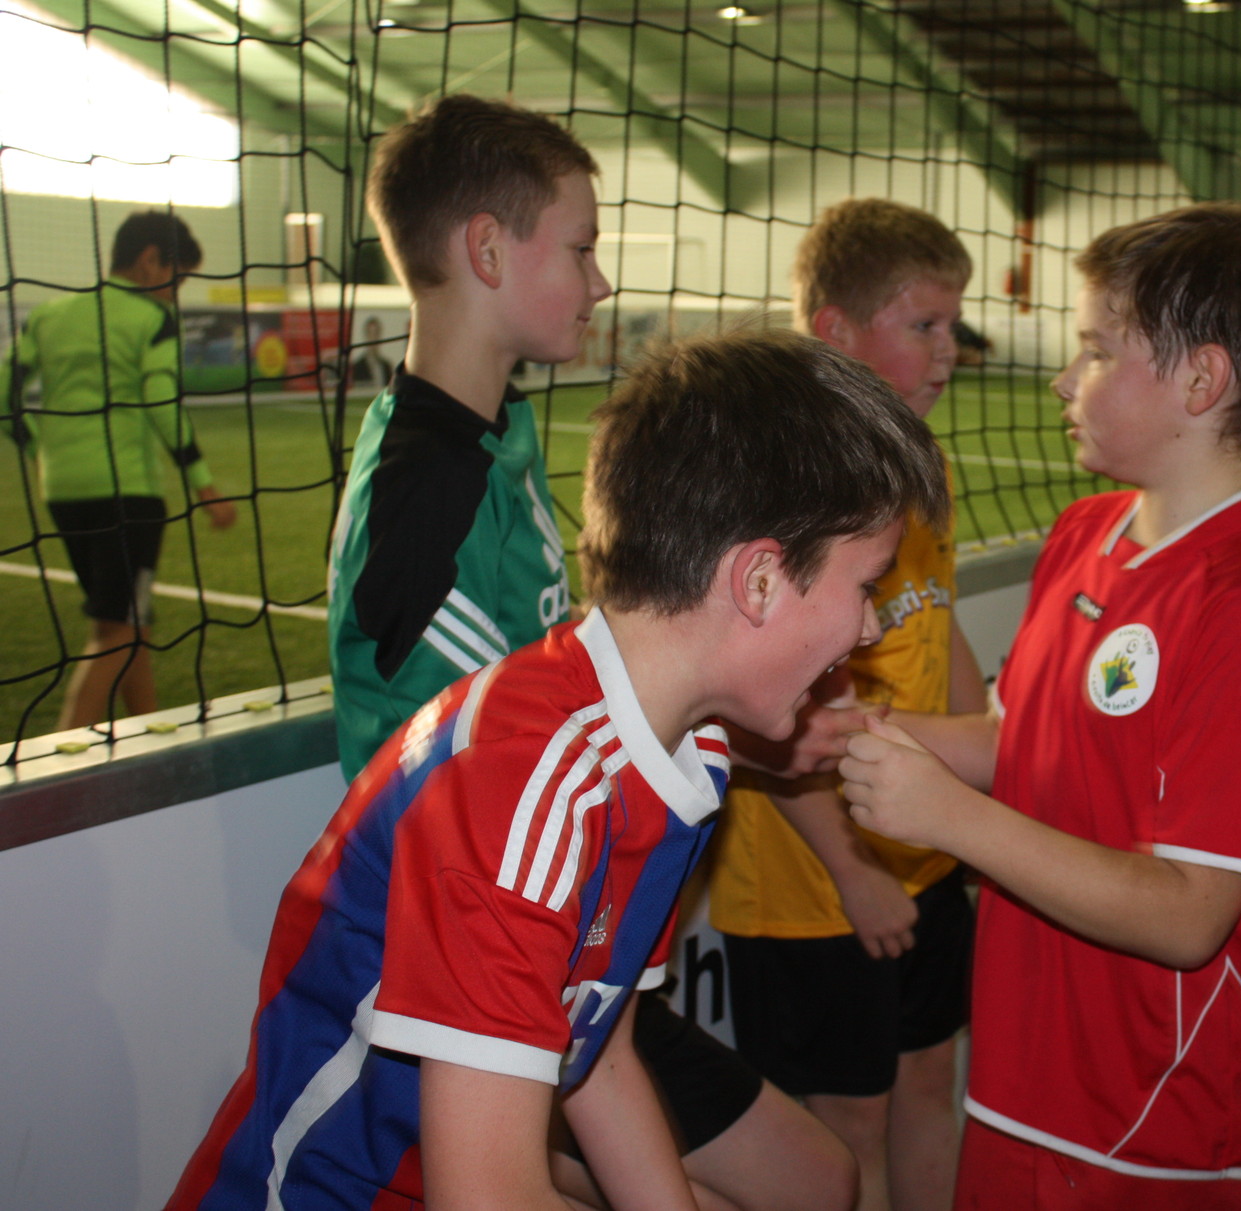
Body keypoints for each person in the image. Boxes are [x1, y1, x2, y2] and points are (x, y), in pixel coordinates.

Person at [166, 326, 952, 1210]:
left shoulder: (683, 751)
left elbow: (596, 1052)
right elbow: (490, 1198)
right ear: (760, 580)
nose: (870, 628)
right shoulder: (526, 785)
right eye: (866, 585)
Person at [324, 95, 855, 1211]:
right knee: (809, 1181)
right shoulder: (425, 497)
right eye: (580, 247)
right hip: (474, 953)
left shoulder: (488, 437)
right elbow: (469, 776)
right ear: (486, 250)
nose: (601, 281)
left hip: (560, 933)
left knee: (815, 1178)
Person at [837, 202, 1241, 1210]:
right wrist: (841, 731)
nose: (1065, 380)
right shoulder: (1083, 533)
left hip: (1156, 1119)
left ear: (1201, 380)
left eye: (1098, 351)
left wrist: (948, 819)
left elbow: (1189, 912)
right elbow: (1020, 741)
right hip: (1021, 1077)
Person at [707, 197, 985, 1211]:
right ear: (835, 331)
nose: (948, 348)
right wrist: (853, 868)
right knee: (844, 1124)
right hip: (812, 885)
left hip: (923, 848)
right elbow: (766, 710)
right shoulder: (784, 486)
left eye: (952, 323)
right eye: (923, 324)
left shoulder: (920, 460)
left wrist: (985, 790)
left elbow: (937, 619)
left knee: (929, 1078)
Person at [3, 209, 237, 730]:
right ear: (150, 261)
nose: (176, 294)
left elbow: (3, 396)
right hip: (127, 494)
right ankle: (60, 753)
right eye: (178, 278)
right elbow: (161, 403)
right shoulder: (152, 320)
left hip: (62, 490)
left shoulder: (49, 315)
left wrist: (39, 450)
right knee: (117, 634)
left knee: (129, 623)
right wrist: (204, 487)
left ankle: (148, 736)